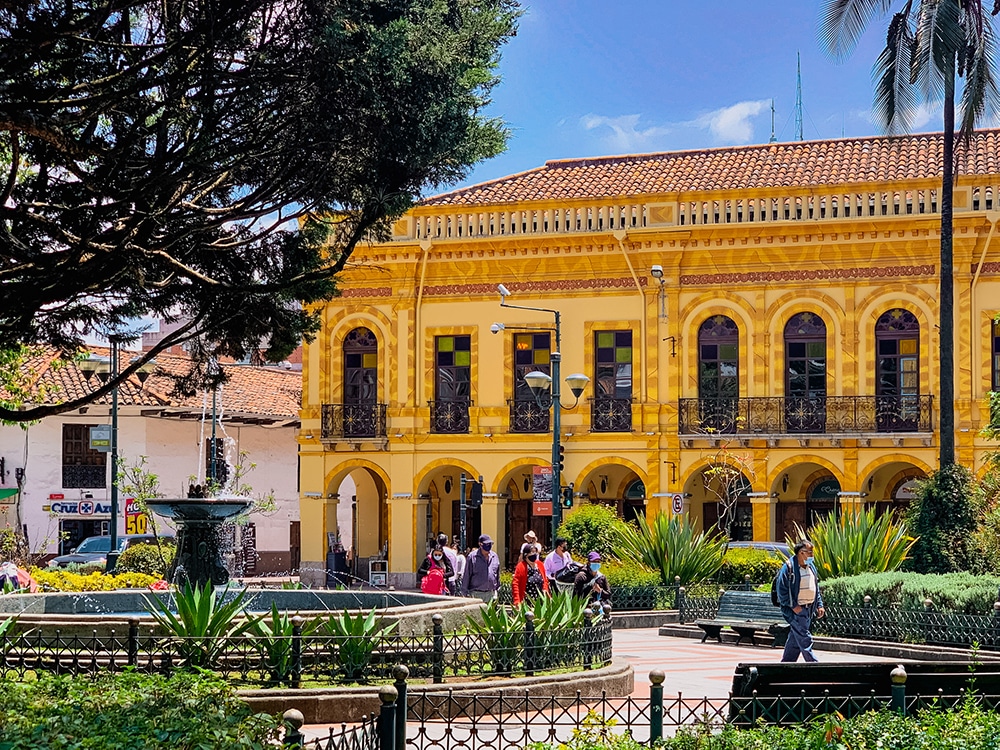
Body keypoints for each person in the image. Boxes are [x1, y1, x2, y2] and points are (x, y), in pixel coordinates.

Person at [775, 540, 826, 662]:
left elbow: (815, 587)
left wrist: (819, 605)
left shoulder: (811, 567)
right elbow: (781, 590)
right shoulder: (789, 567)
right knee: (804, 636)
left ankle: (786, 664)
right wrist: (793, 606)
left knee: (795, 638)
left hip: (808, 609)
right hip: (797, 610)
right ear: (801, 553)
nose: (812, 555)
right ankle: (813, 663)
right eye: (809, 552)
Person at [462, 533, 500, 602]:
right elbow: (467, 575)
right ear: (480, 544)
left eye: (490, 544)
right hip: (476, 594)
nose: (489, 546)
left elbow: (497, 575)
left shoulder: (495, 556)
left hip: (491, 594)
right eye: (486, 544)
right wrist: (464, 593)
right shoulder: (472, 557)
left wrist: (497, 590)